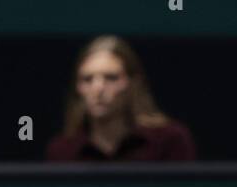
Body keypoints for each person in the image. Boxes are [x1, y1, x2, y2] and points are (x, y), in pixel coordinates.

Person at [46, 35, 196, 161]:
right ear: (78, 87)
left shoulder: (169, 141)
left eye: (111, 78)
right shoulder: (62, 151)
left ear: (133, 83)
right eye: (87, 79)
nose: (98, 89)